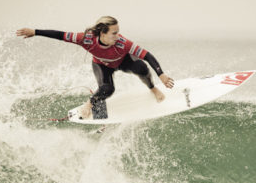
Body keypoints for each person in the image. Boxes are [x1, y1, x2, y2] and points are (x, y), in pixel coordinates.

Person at [16, 16, 174, 119]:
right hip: (101, 64)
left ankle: (153, 89)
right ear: (102, 33)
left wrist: (161, 75)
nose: (118, 36)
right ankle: (90, 105)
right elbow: (61, 35)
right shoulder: (85, 39)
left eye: (118, 32)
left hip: (123, 61)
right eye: (114, 33)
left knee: (142, 67)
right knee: (107, 88)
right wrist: (35, 32)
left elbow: (147, 55)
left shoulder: (122, 43)